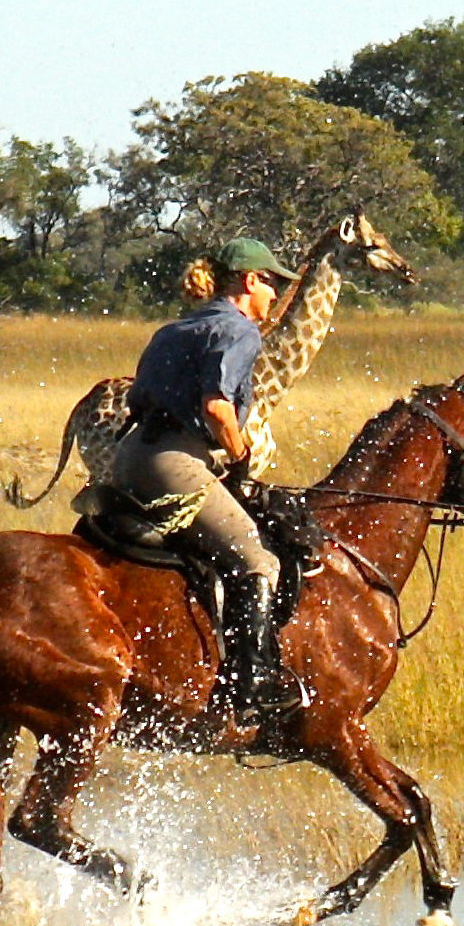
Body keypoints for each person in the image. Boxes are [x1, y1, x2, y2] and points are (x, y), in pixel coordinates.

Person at [111, 237, 302, 725]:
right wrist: (240, 455)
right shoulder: (238, 330)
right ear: (250, 281)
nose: (275, 296)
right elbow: (217, 407)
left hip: (131, 455)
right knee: (257, 558)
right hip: (174, 461)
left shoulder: (174, 328)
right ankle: (251, 683)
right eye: (273, 284)